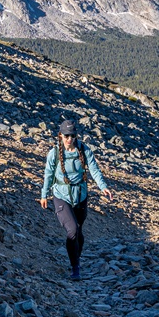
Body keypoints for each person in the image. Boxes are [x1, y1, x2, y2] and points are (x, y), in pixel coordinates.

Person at [41, 119, 112, 280]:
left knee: (78, 231)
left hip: (80, 196)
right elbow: (48, 174)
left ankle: (75, 258)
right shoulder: (54, 153)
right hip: (61, 196)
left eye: (72, 135)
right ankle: (75, 268)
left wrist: (103, 187)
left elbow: (94, 169)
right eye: (66, 135)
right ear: (60, 135)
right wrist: (44, 194)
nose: (69, 139)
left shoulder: (84, 150)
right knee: (72, 230)